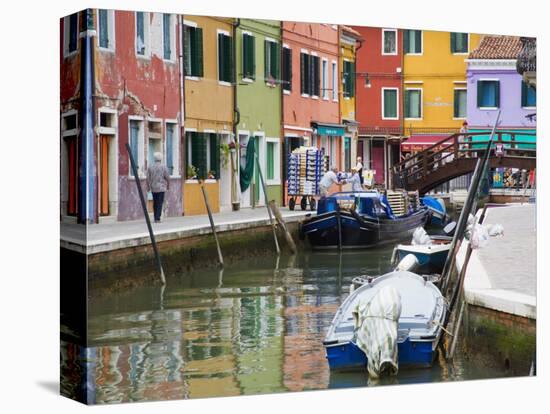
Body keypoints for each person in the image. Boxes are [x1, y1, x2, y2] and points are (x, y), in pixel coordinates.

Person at [147, 152, 170, 223]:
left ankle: (155, 216)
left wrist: (148, 186)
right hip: (161, 188)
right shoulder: (164, 167)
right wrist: (168, 185)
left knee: (155, 202)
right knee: (160, 203)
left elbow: (148, 178)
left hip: (153, 187)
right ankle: (157, 218)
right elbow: (167, 177)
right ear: (161, 158)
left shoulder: (150, 167)